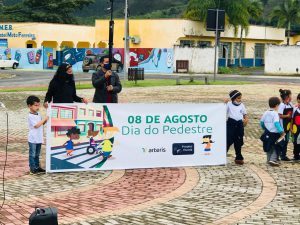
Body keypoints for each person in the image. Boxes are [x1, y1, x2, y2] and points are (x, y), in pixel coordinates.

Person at [260, 97, 285, 167]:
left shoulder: (265, 112)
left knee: (268, 146)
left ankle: (268, 160)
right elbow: (276, 123)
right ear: (277, 105)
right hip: (274, 133)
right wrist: (281, 131)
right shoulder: (275, 114)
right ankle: (273, 159)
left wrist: (264, 128)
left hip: (267, 132)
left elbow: (261, 123)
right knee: (277, 146)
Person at [27, 96, 48, 174]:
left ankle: (37, 167)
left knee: (37, 154)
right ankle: (32, 168)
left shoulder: (38, 114)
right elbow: (36, 125)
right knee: (32, 154)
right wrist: (44, 119)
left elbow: (41, 123)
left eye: (38, 105)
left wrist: (46, 120)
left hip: (39, 137)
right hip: (33, 138)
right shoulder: (30, 116)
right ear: (29, 106)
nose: (37, 107)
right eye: (35, 105)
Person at [226, 90, 248, 165]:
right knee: (228, 140)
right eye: (238, 98)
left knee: (238, 141)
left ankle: (238, 157)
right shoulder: (228, 104)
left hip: (239, 124)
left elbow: (245, 114)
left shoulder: (242, 105)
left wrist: (246, 120)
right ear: (233, 98)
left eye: (240, 98)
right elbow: (222, 111)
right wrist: (224, 103)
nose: (240, 100)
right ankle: (222, 155)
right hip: (231, 124)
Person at [278, 89, 293, 161]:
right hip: (282, 126)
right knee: (282, 141)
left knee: (286, 141)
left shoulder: (290, 104)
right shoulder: (282, 105)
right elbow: (280, 115)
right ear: (287, 97)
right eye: (290, 96)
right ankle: (280, 154)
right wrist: (287, 116)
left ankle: (284, 155)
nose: (291, 97)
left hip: (288, 126)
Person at [291, 93, 300, 161]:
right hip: (296, 129)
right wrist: (291, 127)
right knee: (295, 142)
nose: (299, 104)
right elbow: (291, 119)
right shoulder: (295, 109)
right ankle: (296, 155)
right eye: (298, 102)